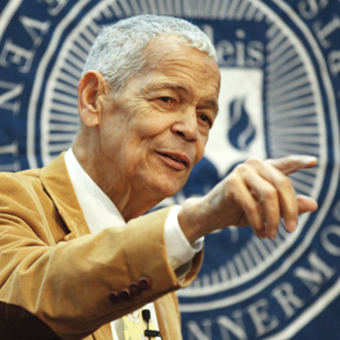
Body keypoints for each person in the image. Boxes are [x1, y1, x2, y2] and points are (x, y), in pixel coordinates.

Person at [0, 14, 318, 340]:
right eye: (166, 99)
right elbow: (21, 306)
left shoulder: (157, 273)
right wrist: (195, 220)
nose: (191, 130)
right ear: (93, 98)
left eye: (205, 116)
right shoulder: (9, 199)